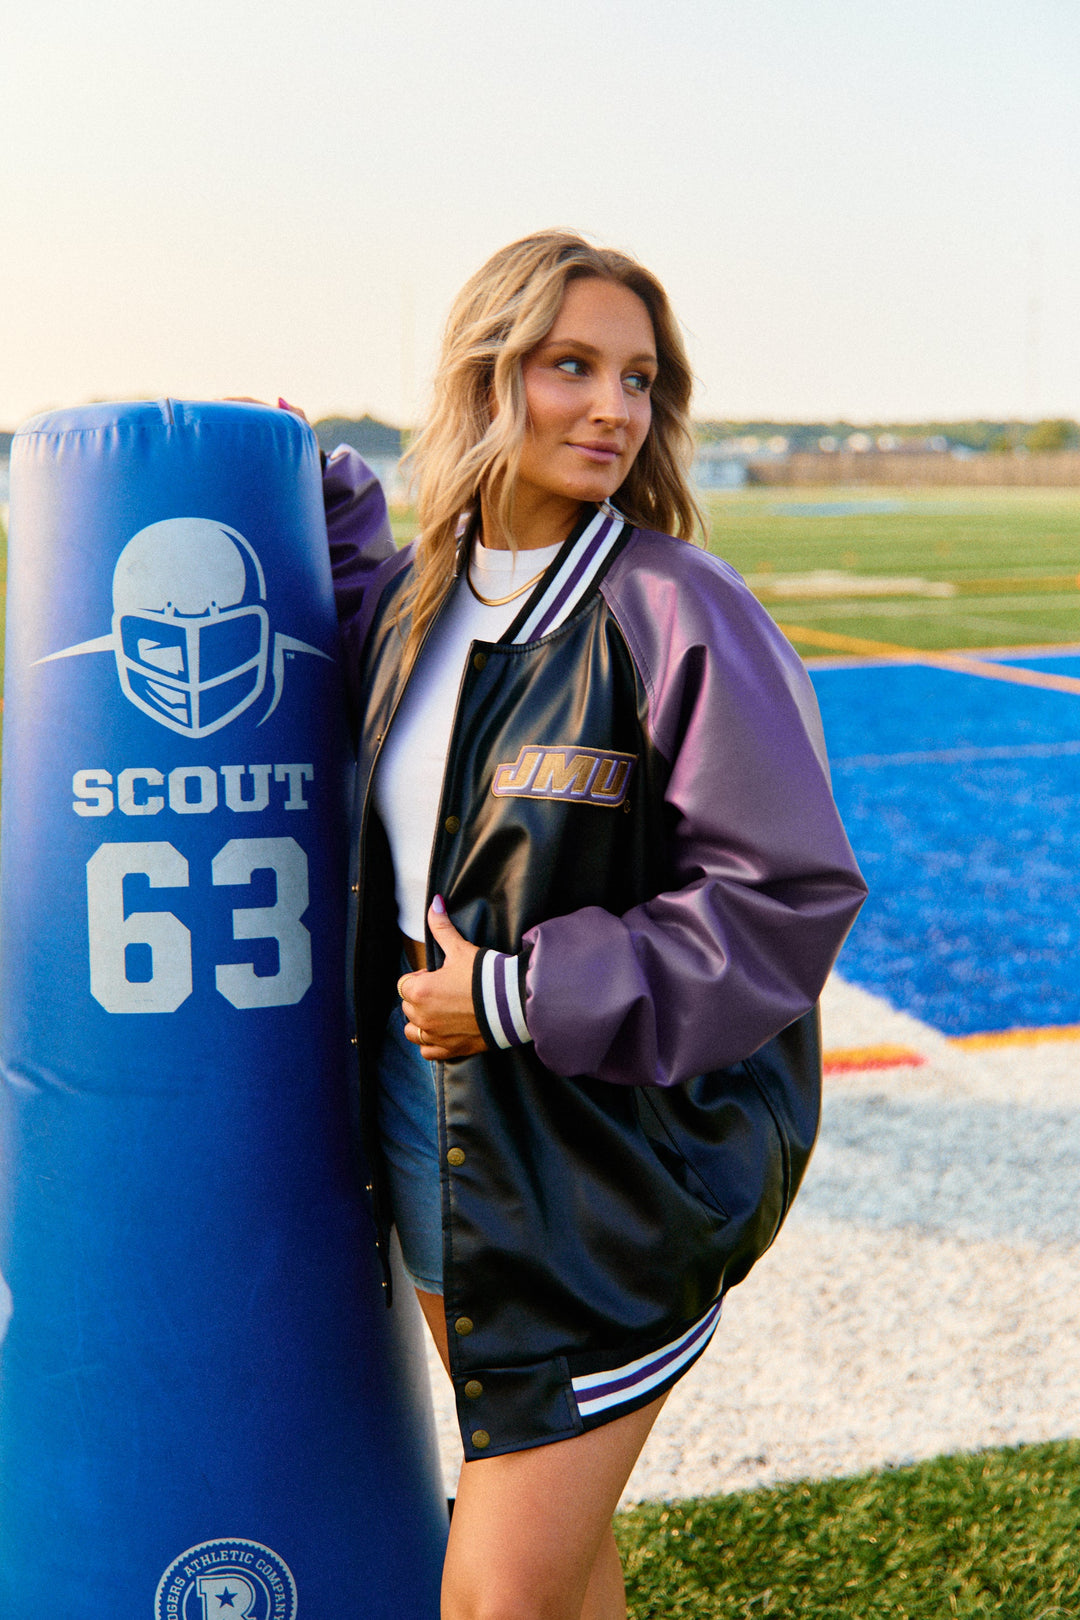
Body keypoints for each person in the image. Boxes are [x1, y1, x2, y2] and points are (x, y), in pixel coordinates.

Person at [320, 231, 866, 1620]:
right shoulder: (411, 602)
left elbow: (782, 899)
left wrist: (516, 994)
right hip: (431, 1143)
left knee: (495, 1595)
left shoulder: (678, 609)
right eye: (574, 365)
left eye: (639, 378)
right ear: (488, 373)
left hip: (607, 1176)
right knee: (560, 1577)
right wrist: (295, 486)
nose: (615, 408)